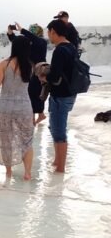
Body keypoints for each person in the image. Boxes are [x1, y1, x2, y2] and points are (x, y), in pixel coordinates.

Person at [0, 36, 35, 180]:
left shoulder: (4, 63)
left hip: (5, 106)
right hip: (24, 106)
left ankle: (8, 172)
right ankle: (27, 173)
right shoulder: (30, 66)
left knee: (6, 140)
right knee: (27, 140)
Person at [40, 20, 78, 173]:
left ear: (54, 31)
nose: (49, 36)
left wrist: (44, 78)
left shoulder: (60, 50)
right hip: (69, 93)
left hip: (60, 96)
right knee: (56, 128)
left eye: (49, 32)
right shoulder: (71, 47)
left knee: (59, 131)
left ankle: (61, 167)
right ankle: (57, 161)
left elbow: (55, 77)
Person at [7, 23, 48, 124]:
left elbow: (36, 40)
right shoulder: (30, 44)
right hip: (33, 72)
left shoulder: (41, 42)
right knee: (33, 95)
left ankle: (32, 121)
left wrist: (23, 30)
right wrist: (10, 33)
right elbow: (18, 43)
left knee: (34, 95)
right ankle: (39, 116)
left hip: (40, 73)